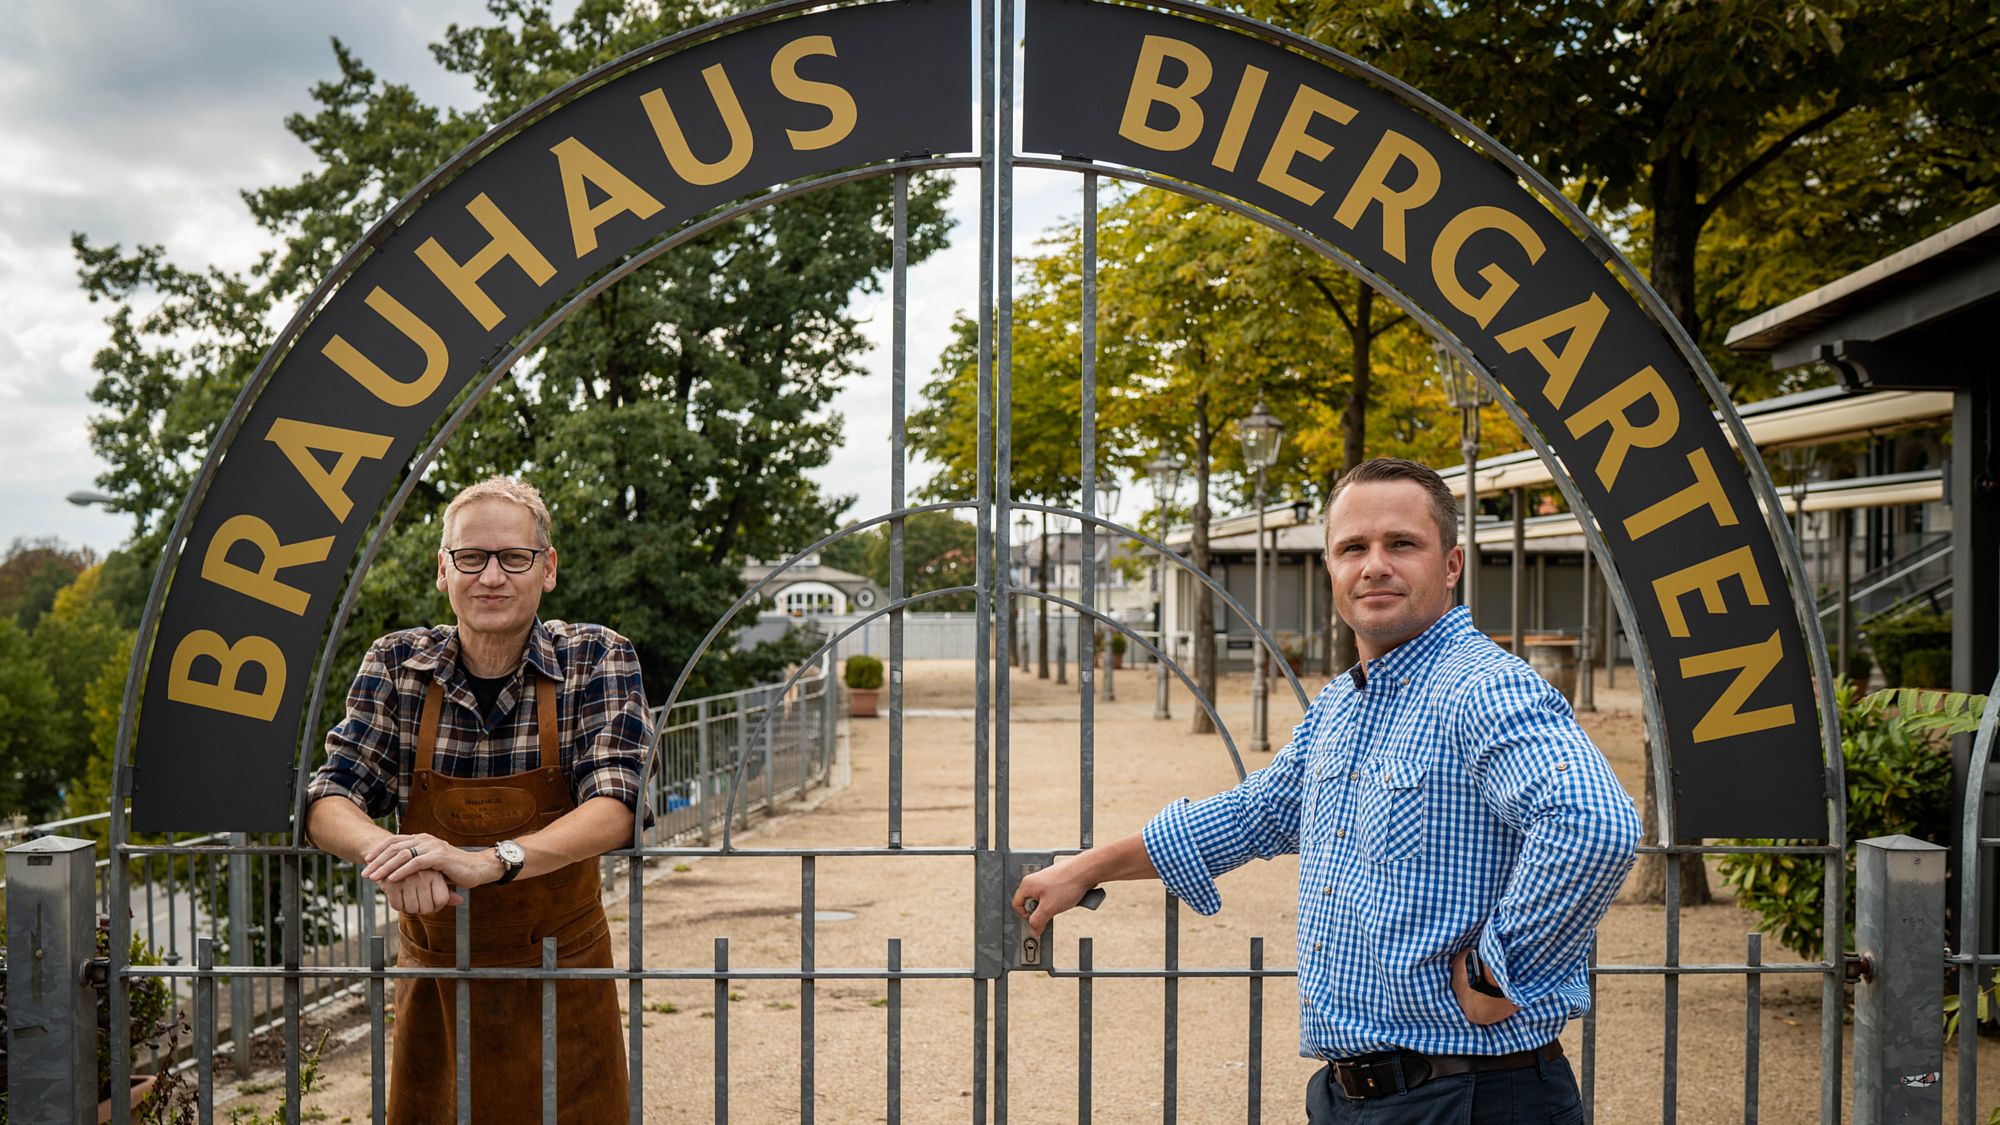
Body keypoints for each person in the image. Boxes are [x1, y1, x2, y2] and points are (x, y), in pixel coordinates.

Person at [1013, 457, 1640, 1122]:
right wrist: (1086, 868)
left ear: (1451, 564)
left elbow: (1593, 823)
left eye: (1402, 543)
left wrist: (1499, 967)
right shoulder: (1343, 703)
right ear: (1332, 570)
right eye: (1353, 548)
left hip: (1472, 1095)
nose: (1375, 564)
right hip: (1357, 1096)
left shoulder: (1481, 687)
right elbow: (1255, 813)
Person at [306, 476, 651, 1124]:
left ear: (546, 568)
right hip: (438, 992)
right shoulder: (396, 664)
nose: (491, 575)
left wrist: (490, 859)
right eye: (472, 557)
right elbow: (329, 794)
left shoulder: (597, 657)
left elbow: (618, 802)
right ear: (444, 569)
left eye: (513, 557)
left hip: (562, 984)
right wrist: (395, 854)